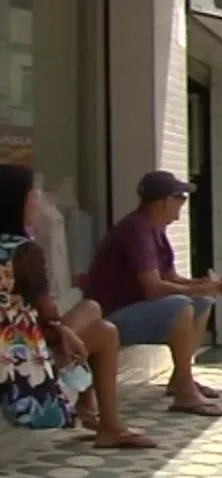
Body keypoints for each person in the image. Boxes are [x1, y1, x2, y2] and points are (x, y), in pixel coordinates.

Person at [0, 165, 157, 448]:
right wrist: (64, 331)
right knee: (99, 321)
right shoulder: (24, 251)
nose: (37, 201)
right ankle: (105, 422)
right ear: (16, 203)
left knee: (99, 321)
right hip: (17, 356)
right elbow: (47, 312)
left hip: (10, 343)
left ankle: (98, 415)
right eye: (32, 195)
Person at [84, 170, 222, 418]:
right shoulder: (137, 229)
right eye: (180, 198)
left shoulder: (155, 230)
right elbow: (154, 288)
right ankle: (185, 393)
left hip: (135, 308)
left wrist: (210, 284)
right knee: (181, 306)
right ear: (163, 201)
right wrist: (199, 288)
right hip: (110, 316)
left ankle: (181, 377)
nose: (182, 205)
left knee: (202, 301)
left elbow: (171, 278)